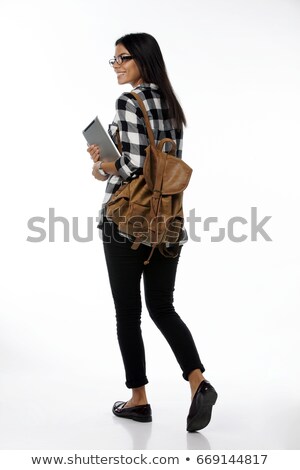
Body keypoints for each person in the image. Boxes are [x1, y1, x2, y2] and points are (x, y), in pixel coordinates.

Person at [87, 33, 217, 432]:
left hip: (128, 220)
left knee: (128, 313)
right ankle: (197, 380)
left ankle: (138, 399)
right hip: (169, 222)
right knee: (162, 306)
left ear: (143, 58)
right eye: (113, 60)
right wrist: (109, 158)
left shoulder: (129, 101)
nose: (117, 66)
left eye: (123, 58)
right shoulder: (172, 106)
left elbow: (135, 169)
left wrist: (105, 165)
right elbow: (162, 167)